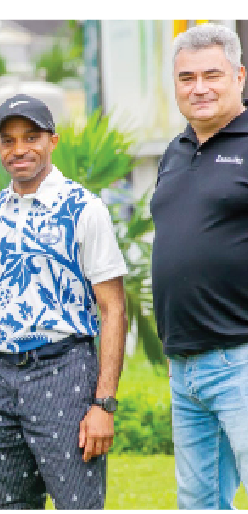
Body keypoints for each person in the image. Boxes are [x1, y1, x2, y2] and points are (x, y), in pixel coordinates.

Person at [0, 94, 128, 509]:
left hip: (66, 372)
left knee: (77, 503)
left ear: (53, 141)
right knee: (2, 505)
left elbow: (114, 309)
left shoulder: (84, 208)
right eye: (8, 140)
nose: (19, 149)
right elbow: (2, 302)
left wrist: (103, 404)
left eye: (31, 137)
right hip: (2, 375)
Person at [151, 23, 248, 510]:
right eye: (187, 78)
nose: (200, 88)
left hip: (242, 358)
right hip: (185, 363)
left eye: (212, 75)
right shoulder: (176, 150)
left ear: (239, 77)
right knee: (199, 502)